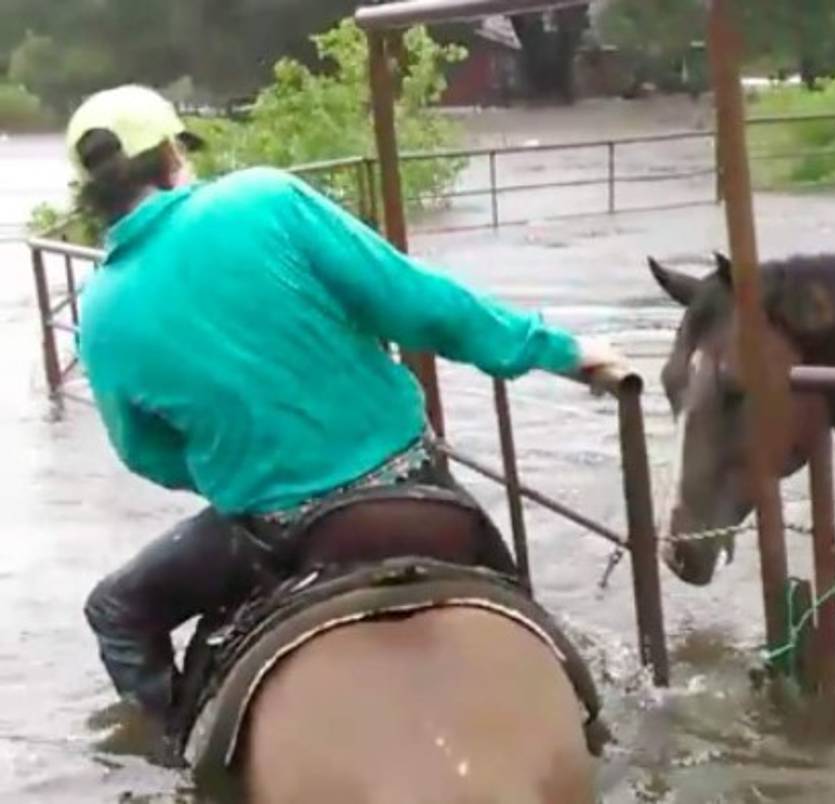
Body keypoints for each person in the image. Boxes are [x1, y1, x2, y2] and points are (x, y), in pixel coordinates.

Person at [66, 85, 626, 753]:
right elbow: (422, 306)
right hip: (416, 489)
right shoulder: (263, 198)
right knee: (529, 622)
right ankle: (589, 726)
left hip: (271, 534)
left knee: (116, 610)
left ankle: (176, 760)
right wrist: (560, 352)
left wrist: (238, 457)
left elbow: (144, 453)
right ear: (171, 155)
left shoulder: (99, 310)